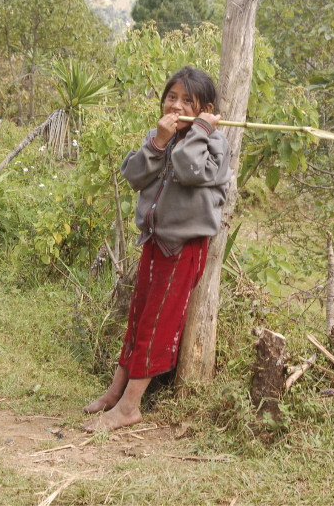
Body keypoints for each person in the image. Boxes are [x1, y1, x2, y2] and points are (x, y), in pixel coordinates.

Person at [83, 66, 231, 432]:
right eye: (171, 97)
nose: (176, 106)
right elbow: (134, 175)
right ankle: (115, 392)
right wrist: (157, 143)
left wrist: (198, 132)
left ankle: (130, 407)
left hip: (183, 246)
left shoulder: (215, 144)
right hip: (154, 240)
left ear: (206, 109)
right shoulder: (160, 136)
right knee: (138, 317)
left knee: (158, 323)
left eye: (187, 101)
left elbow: (189, 170)